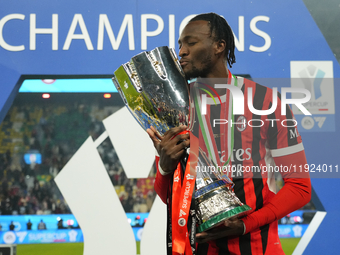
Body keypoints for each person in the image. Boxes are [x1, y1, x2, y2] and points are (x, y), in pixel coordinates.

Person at [147, 12, 311, 255]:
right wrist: (165, 167)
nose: (181, 51)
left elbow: (299, 187)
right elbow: (167, 197)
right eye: (180, 44)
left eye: (190, 43)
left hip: (254, 245)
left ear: (219, 46)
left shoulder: (265, 101)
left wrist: (245, 225)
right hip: (195, 247)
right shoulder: (175, 107)